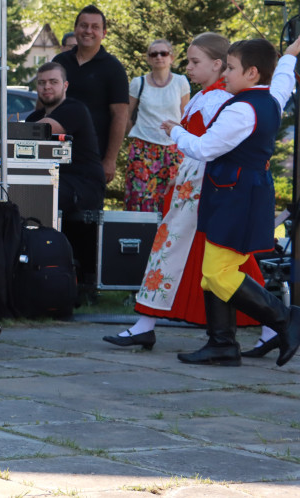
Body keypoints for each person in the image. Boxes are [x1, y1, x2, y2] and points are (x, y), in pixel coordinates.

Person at [104, 33, 269, 351]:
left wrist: (180, 142)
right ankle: (271, 328)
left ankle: (272, 325)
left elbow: (212, 146)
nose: (188, 68)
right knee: (196, 253)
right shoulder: (206, 96)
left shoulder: (220, 100)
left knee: (183, 250)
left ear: (218, 65)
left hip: (203, 184)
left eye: (195, 62)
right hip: (192, 182)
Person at [161, 37, 300, 367]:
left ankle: (285, 319)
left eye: (232, 68)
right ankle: (222, 344)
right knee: (213, 274)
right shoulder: (272, 96)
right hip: (232, 193)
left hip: (237, 196)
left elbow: (206, 148)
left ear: (252, 73)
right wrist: (291, 52)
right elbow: (282, 75)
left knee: (219, 274)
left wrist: (175, 131)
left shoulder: (242, 109)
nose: (225, 73)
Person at [52, 5, 129, 184]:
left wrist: (110, 160)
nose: (88, 31)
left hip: (93, 158)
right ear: (75, 29)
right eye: (84, 25)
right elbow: (43, 105)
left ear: (104, 33)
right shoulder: (59, 63)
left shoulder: (113, 68)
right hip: (55, 154)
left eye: (95, 27)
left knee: (87, 211)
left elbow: (120, 116)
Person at [25, 62, 105, 218]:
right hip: (52, 180)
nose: (46, 86)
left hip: (83, 185)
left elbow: (42, 130)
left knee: (36, 195)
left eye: (53, 82)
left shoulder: (74, 109)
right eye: (41, 83)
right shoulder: (34, 118)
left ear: (65, 85)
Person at [124, 39, 190, 212]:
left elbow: (185, 117)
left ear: (171, 57)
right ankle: (139, 238)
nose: (159, 57)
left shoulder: (180, 82)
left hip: (172, 149)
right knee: (140, 200)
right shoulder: (138, 83)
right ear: (148, 58)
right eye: (154, 54)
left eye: (164, 53)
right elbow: (127, 115)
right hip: (142, 149)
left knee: (172, 199)